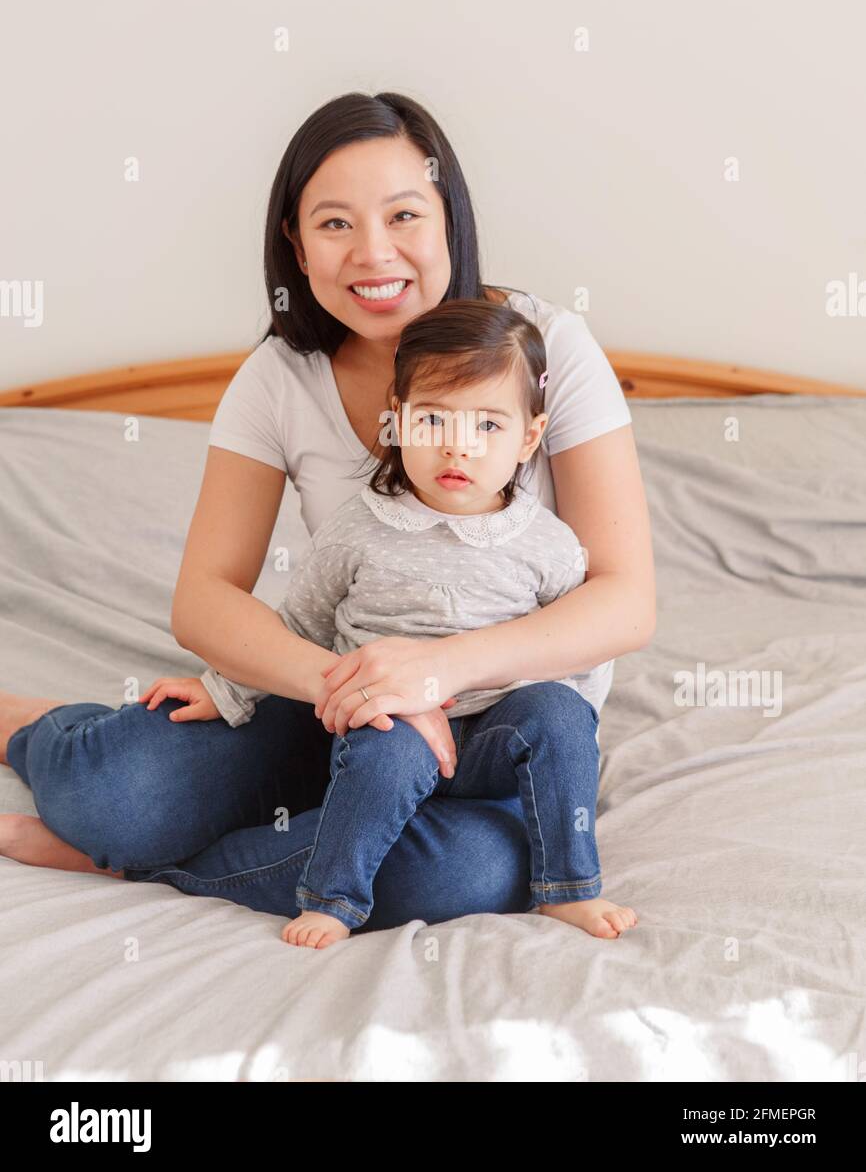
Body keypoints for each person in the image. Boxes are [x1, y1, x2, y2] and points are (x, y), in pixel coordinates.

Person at [0, 90, 655, 936]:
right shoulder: (279, 377)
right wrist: (349, 688)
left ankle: (141, 864)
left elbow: (623, 598)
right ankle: (26, 726)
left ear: (449, 219)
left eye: (405, 215)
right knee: (121, 793)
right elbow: (205, 596)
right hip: (337, 702)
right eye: (335, 223)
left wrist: (440, 671)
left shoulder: (545, 349)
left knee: (468, 871)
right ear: (296, 246)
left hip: (499, 732)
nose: (374, 253)